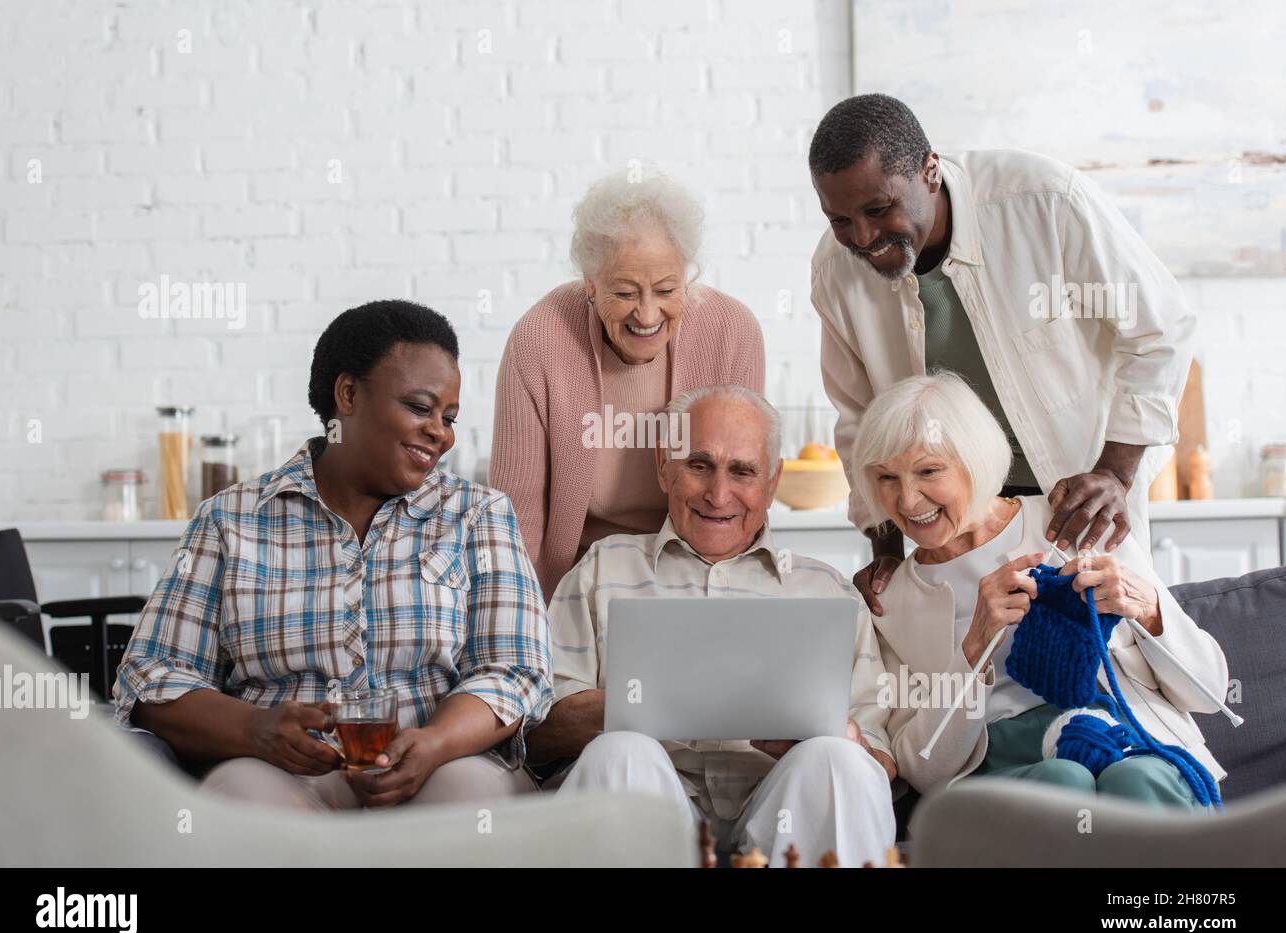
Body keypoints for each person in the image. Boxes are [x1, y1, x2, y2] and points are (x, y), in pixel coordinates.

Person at [113, 301, 552, 811]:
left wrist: (434, 744)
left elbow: (514, 671)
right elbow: (152, 677)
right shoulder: (230, 519)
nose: (441, 432)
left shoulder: (478, 514)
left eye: (448, 417)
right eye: (419, 407)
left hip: (442, 766)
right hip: (284, 773)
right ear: (347, 395)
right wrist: (256, 730)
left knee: (467, 799)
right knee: (244, 798)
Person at [808, 93, 1196, 617]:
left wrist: (1114, 474)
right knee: (974, 679)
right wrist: (885, 551)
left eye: (878, 210)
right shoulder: (836, 271)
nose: (863, 237)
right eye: (840, 220)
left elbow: (1161, 328)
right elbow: (858, 418)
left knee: (1111, 663)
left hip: (1077, 510)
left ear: (930, 171)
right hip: (951, 527)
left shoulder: (1045, 202)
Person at [528, 384, 897, 866]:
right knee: (619, 752)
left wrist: (841, 736)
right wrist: (644, 702)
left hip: (780, 805)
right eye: (698, 465)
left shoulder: (827, 590)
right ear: (664, 466)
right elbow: (536, 735)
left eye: (742, 471)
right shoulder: (603, 569)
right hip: (652, 809)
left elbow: (882, 764)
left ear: (772, 481)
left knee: (842, 761)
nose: (718, 494)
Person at [851, 373, 1227, 807]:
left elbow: (1211, 694)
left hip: (1124, 739)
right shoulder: (888, 599)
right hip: (1000, 768)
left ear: (975, 460)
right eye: (886, 479)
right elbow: (921, 768)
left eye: (929, 471)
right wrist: (972, 650)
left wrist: (1148, 609)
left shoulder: (1076, 521)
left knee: (1137, 781)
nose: (909, 500)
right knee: (1061, 782)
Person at [490, 170, 765, 602]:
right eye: (624, 293)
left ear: (687, 277)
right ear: (590, 282)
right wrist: (522, 629)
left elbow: (744, 494)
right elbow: (513, 519)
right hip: (576, 587)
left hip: (698, 577)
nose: (648, 314)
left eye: (666, 289)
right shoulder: (538, 340)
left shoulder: (732, 332)